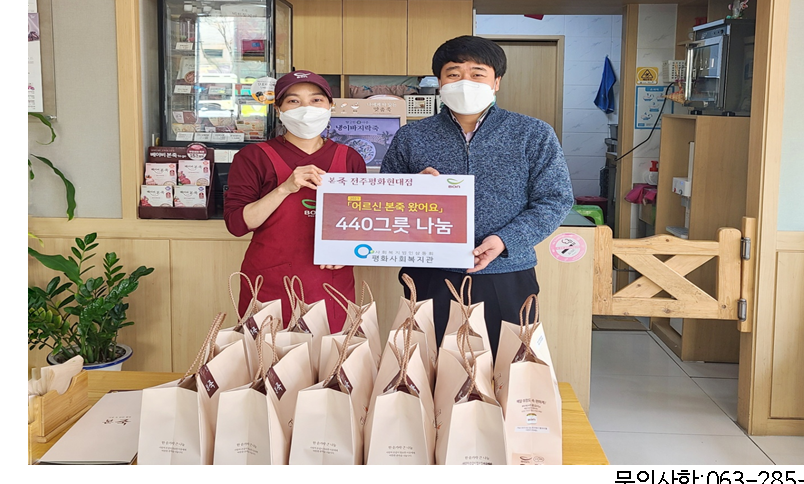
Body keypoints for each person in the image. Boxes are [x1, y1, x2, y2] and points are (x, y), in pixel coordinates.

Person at [380, 36, 574, 354]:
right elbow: (385, 201)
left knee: (506, 365)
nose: (464, 82)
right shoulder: (412, 136)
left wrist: (506, 240)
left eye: (477, 73)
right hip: (430, 272)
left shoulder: (532, 134)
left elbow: (555, 199)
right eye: (454, 74)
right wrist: (413, 189)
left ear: (496, 82)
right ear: (439, 82)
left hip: (507, 271)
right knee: (428, 364)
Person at [224, 70, 366, 332]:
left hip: (331, 282)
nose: (306, 108)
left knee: (330, 354)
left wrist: (347, 251)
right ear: (278, 109)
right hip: (270, 282)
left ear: (330, 106)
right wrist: (284, 189)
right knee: (267, 354)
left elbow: (363, 222)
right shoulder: (253, 157)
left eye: (316, 100)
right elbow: (237, 224)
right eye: (293, 101)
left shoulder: (349, 158)